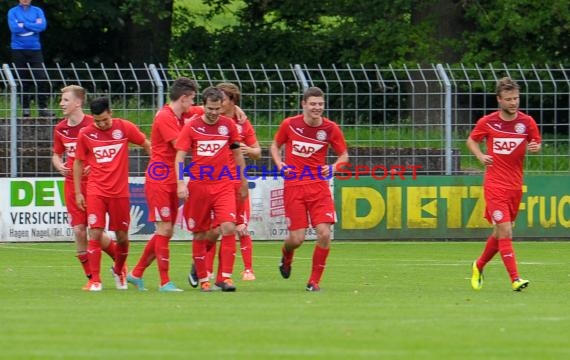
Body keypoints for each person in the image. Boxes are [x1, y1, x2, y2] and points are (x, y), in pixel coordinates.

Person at [270, 86, 348, 292]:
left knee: (324, 234)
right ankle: (287, 255)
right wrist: (280, 164)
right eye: (313, 104)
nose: (317, 108)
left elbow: (344, 156)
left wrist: (332, 167)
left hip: (319, 188)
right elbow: (274, 146)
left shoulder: (330, 129)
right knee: (297, 239)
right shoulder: (290, 124)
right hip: (294, 187)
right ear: (303, 104)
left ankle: (314, 282)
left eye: (320, 104)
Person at [467, 77, 541, 292]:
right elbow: (472, 140)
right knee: (506, 231)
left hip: (515, 186)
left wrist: (536, 147)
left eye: (516, 98)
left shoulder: (527, 123)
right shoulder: (488, 122)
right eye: (508, 99)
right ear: (499, 99)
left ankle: (478, 265)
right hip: (494, 185)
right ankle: (515, 279)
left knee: (500, 233)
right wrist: (480, 155)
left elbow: (536, 142)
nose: (513, 102)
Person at [126, 77, 198, 292]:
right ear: (183, 98)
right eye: (192, 100)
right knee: (164, 228)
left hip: (172, 177)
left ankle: (136, 273)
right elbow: (180, 146)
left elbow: (203, 111)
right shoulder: (165, 117)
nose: (193, 104)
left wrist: (231, 108)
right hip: (160, 179)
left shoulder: (182, 113)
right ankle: (164, 282)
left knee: (164, 231)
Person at [175, 86, 248, 292]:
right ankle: (203, 278)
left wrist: (242, 183)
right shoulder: (192, 126)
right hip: (199, 187)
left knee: (228, 227)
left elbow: (237, 155)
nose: (214, 113)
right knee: (200, 234)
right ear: (203, 105)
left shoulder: (228, 126)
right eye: (210, 108)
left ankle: (224, 278)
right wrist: (181, 183)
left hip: (223, 185)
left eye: (217, 108)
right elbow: (180, 156)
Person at [73, 97, 151, 291]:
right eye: (97, 121)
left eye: (105, 120)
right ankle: (95, 280)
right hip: (96, 190)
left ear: (111, 112)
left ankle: (118, 270)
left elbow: (146, 143)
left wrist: (155, 168)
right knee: (96, 232)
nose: (101, 124)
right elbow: (78, 162)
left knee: (122, 237)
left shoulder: (124, 128)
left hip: (120, 193)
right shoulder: (86, 134)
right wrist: (77, 192)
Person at [187, 82, 261, 287]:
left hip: (233, 182)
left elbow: (257, 152)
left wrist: (247, 149)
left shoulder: (240, 124)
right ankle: (201, 263)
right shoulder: (202, 116)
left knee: (236, 226)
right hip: (207, 182)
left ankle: (227, 275)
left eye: (225, 100)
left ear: (229, 102)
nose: (218, 105)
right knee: (212, 230)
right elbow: (185, 108)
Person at [52, 85, 120, 290]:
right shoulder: (61, 128)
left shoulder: (95, 123)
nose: (61, 103)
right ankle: (91, 277)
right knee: (79, 231)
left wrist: (94, 165)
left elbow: (109, 149)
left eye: (65, 100)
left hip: (95, 184)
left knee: (96, 233)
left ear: (78, 103)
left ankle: (120, 264)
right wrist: (59, 165)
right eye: (61, 100)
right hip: (72, 185)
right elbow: (56, 153)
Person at [7, 0, 54, 117]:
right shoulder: (12, 11)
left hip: (35, 49)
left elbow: (42, 26)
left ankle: (43, 107)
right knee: (23, 79)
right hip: (18, 49)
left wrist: (23, 24)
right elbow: (14, 29)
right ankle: (25, 108)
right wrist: (33, 25)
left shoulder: (37, 10)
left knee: (41, 77)